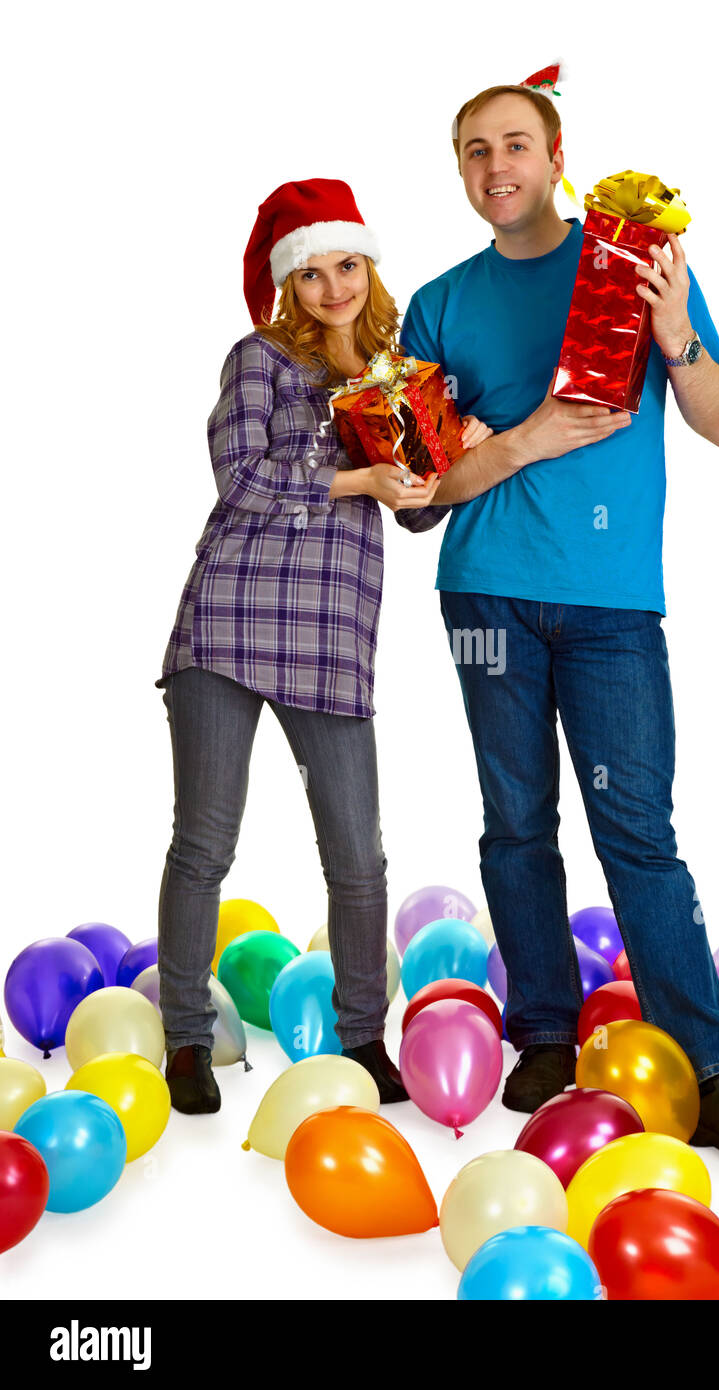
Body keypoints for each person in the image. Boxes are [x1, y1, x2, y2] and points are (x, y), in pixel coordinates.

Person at [396, 80, 719, 1162]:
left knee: (637, 834)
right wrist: (524, 438)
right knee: (514, 818)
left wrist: (676, 336)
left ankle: (708, 1072)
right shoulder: (437, 304)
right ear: (459, 168)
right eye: (474, 150)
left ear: (555, 153)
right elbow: (421, 489)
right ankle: (538, 1032)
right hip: (482, 599)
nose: (496, 167)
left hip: (611, 606)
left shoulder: (633, 266)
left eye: (515, 145)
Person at [154, 178, 489, 1114]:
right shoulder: (258, 358)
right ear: (288, 286)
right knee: (203, 842)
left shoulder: (398, 375)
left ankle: (362, 1039)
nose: (333, 286)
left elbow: (413, 511)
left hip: (332, 637)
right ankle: (185, 1036)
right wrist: (360, 477)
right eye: (312, 273)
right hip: (228, 623)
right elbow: (242, 473)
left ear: (368, 268)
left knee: (357, 856)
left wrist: (456, 460)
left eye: (347, 265)